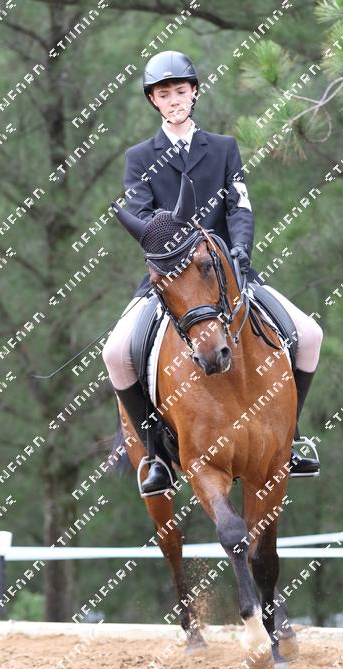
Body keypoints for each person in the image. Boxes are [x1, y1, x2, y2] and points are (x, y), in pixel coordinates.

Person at [103, 50, 322, 495]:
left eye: (180, 91)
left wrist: (239, 249)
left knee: (310, 334)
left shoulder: (223, 148)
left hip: (228, 272)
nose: (174, 100)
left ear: (194, 93)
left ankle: (290, 437)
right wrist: (176, 248)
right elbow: (142, 220)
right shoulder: (139, 157)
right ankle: (155, 455)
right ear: (154, 101)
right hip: (171, 279)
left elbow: (240, 206)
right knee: (115, 353)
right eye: (164, 94)